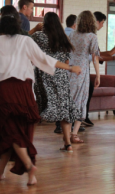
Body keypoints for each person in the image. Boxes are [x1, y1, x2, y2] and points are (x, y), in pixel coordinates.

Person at [0, 14, 81, 186]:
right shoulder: (25, 41)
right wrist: (70, 67)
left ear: (1, 28)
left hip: (4, 91)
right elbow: (44, 60)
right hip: (24, 90)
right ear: (18, 28)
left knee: (10, 130)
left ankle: (27, 164)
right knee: (19, 130)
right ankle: (4, 173)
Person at [31, 12, 79, 152]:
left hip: (43, 75)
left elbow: (24, 42)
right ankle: (67, 143)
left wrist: (34, 29)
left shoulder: (38, 36)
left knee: (39, 108)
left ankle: (29, 143)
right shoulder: (63, 37)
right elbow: (67, 60)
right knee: (64, 108)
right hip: (61, 76)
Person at [68, 11, 101, 143]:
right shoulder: (92, 37)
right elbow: (95, 57)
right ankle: (74, 133)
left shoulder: (72, 34)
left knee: (70, 98)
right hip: (82, 71)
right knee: (81, 100)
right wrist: (98, 75)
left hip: (70, 69)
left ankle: (68, 131)